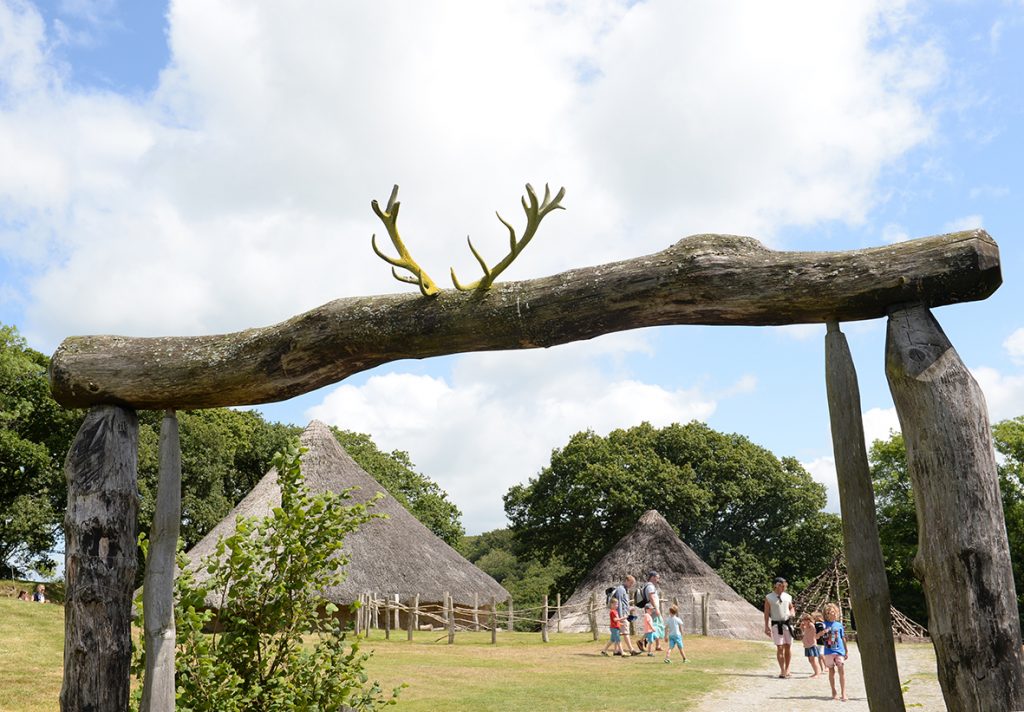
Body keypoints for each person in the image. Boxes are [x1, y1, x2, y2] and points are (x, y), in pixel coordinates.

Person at [763, 576, 795, 678]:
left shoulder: (788, 597)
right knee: (780, 647)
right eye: (782, 585)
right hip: (776, 624)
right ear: (776, 585)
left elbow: (791, 608)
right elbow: (766, 612)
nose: (784, 587)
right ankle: (782, 670)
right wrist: (766, 626)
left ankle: (788, 669)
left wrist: (792, 613)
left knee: (788, 646)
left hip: (787, 624)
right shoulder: (769, 597)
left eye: (785, 585)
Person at [821, 602, 849, 701]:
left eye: (833, 612)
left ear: (836, 613)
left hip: (839, 650)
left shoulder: (839, 625)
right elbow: (817, 637)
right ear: (826, 614)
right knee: (831, 672)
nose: (832, 614)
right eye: (829, 613)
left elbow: (843, 638)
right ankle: (834, 691)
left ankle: (843, 692)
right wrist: (823, 632)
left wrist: (846, 650)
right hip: (828, 651)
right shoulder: (823, 625)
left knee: (841, 670)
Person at [610, 574, 641, 655]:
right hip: (622, 615)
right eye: (631, 583)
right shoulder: (621, 590)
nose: (631, 585)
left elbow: (623, 604)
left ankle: (616, 651)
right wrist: (621, 617)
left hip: (623, 614)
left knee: (619, 633)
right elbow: (619, 603)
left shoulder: (624, 590)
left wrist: (629, 608)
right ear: (626, 581)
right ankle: (631, 650)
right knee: (626, 633)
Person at [798, 612, 822, 677]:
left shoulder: (811, 625)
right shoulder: (806, 627)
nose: (803, 622)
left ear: (808, 620)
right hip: (807, 645)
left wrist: (808, 623)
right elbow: (804, 632)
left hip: (812, 645)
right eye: (803, 620)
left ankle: (817, 673)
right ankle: (816, 672)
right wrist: (802, 627)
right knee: (810, 660)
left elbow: (812, 626)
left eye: (805, 620)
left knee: (813, 660)